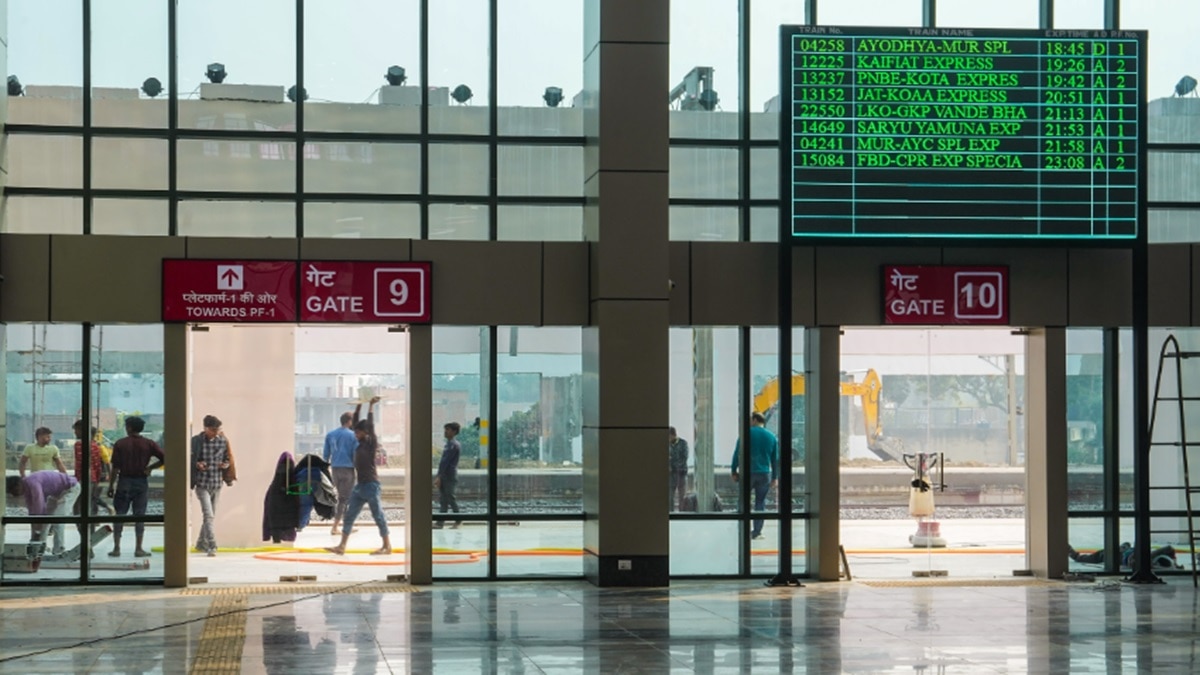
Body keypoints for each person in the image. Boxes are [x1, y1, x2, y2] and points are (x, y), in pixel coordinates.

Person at [325, 396, 391, 556]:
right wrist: (359, 405)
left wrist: (370, 406)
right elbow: (355, 421)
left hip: (371, 486)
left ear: (365, 432)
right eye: (355, 431)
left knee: (378, 516)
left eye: (358, 431)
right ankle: (341, 546)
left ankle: (387, 546)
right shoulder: (359, 443)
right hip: (360, 487)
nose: (355, 433)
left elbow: (370, 424)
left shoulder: (370, 443)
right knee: (349, 516)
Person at [108, 415, 165, 558]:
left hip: (124, 481)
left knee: (119, 515)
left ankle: (116, 548)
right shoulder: (149, 443)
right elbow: (165, 457)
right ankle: (138, 548)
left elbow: (115, 468)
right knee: (140, 516)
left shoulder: (120, 444)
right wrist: (150, 467)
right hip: (141, 482)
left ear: (129, 427)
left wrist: (111, 486)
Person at [730, 412, 779, 540]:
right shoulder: (772, 437)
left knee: (743, 501)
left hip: (748, 473)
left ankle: (742, 529)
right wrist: (774, 477)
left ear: (755, 420)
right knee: (760, 503)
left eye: (750, 419)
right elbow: (775, 460)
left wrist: (733, 470)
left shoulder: (745, 434)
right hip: (764, 474)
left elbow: (737, 454)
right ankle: (757, 532)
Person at [6, 471, 80, 555]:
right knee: (46, 520)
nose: (15, 494)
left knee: (58, 519)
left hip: (70, 488)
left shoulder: (32, 482)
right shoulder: (27, 488)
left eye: (15, 491)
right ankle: (39, 547)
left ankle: (58, 550)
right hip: (56, 493)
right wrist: (34, 530)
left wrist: (37, 527)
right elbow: (31, 509)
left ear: (19, 484)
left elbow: (39, 504)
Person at [191, 415, 232, 556]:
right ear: (205, 428)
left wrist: (225, 465)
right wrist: (197, 464)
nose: (216, 432)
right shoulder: (196, 441)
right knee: (208, 515)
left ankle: (200, 543)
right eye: (213, 430)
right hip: (202, 483)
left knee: (210, 516)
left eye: (218, 429)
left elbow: (227, 458)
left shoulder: (223, 441)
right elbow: (190, 459)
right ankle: (212, 545)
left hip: (217, 482)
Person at [323, 411, 358, 537]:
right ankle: (336, 527)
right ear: (349, 421)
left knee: (341, 498)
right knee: (344, 499)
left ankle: (346, 525)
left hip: (335, 469)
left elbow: (326, 454)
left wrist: (326, 468)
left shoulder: (330, 434)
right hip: (348, 469)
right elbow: (356, 454)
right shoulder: (353, 436)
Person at [73, 419, 112, 516]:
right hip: (93, 478)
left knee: (78, 504)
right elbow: (100, 465)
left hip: (81, 478)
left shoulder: (78, 445)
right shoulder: (97, 446)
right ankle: (90, 525)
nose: (75, 432)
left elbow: (78, 465)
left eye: (76, 430)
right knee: (90, 500)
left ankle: (82, 528)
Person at [434, 422, 462, 529]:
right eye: (445, 429)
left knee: (450, 497)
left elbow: (446, 462)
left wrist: (439, 476)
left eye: (448, 430)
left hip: (449, 475)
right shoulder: (448, 445)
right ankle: (440, 523)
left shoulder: (453, 445)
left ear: (454, 432)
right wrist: (439, 475)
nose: (445, 432)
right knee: (443, 499)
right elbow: (443, 462)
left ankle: (458, 520)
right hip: (445, 475)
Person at [668, 427, 689, 511]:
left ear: (673, 435)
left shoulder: (683, 443)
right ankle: (670, 512)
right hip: (671, 474)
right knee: (670, 495)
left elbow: (684, 458)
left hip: (681, 473)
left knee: (682, 495)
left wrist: (671, 461)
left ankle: (682, 512)